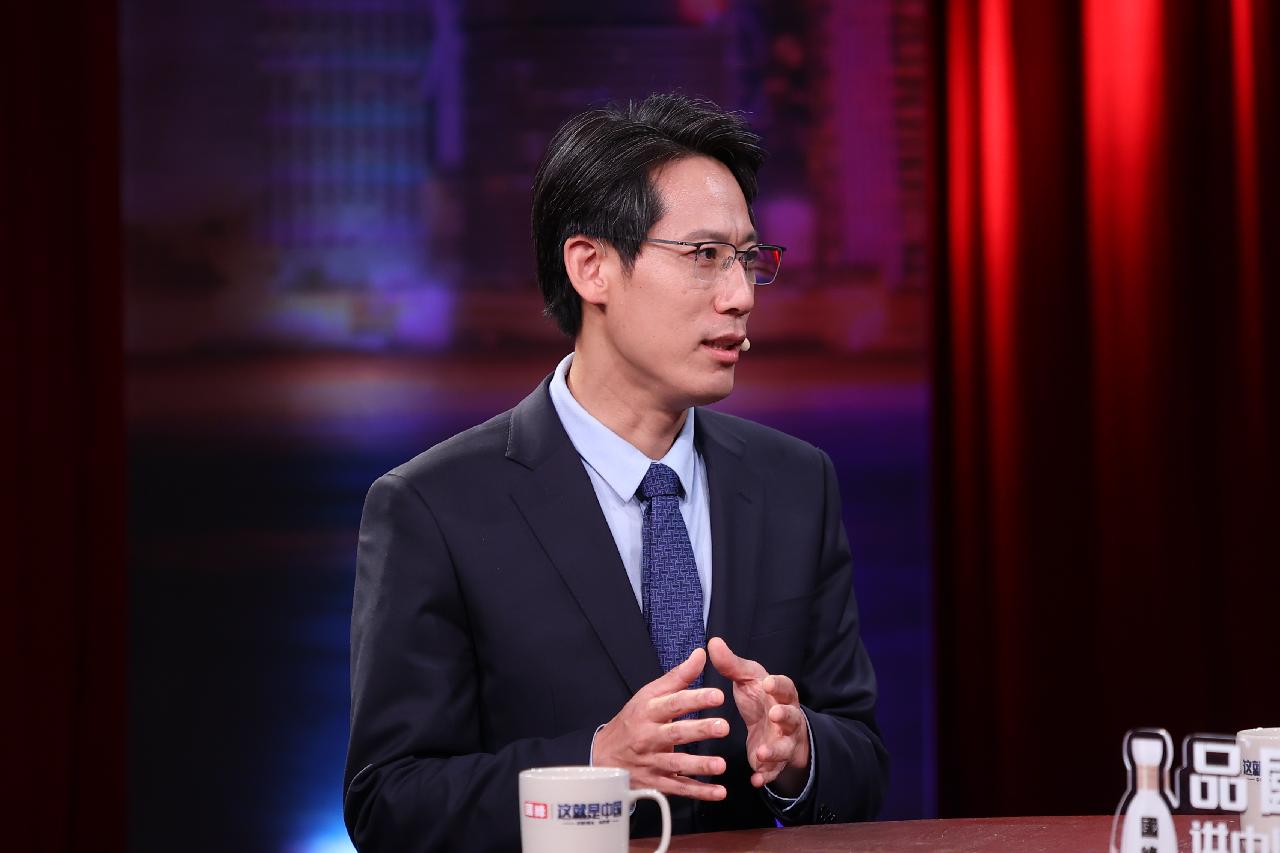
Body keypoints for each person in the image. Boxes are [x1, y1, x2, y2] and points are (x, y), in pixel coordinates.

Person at [343, 93, 888, 852]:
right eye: (704, 256)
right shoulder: (433, 507)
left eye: (747, 258)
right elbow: (389, 804)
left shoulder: (796, 483)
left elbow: (861, 759)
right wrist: (598, 765)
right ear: (591, 266)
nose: (739, 297)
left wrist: (798, 754)